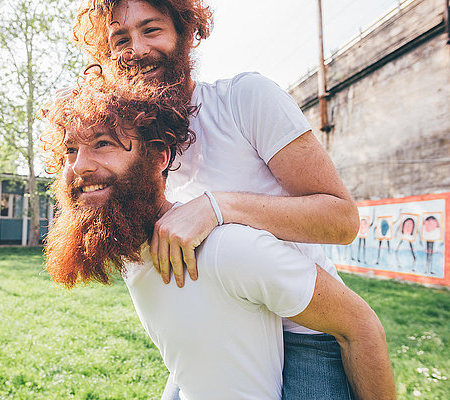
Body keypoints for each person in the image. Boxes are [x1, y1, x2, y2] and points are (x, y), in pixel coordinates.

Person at [41, 75, 396, 399]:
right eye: (70, 150)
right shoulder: (133, 255)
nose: (79, 166)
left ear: (159, 158)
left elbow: (361, 327)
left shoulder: (230, 251)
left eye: (103, 143)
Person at [71, 1, 361, 399]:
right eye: (121, 39)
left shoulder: (245, 99)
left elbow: (342, 221)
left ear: (186, 33)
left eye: (151, 30)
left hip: (303, 331)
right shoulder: (134, 146)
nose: (136, 49)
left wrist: (217, 206)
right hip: (220, 329)